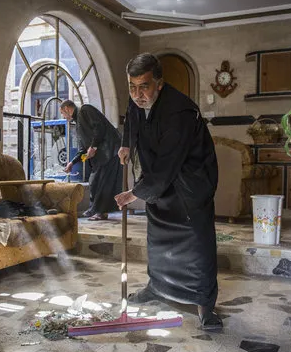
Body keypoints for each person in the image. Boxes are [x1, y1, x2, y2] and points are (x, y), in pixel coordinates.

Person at [115, 53, 222, 330]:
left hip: (189, 182)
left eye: (144, 87)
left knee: (197, 242)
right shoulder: (137, 96)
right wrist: (126, 143)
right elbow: (132, 116)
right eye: (132, 86)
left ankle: (205, 305)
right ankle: (158, 287)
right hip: (161, 180)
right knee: (159, 235)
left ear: (159, 84)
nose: (138, 94)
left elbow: (168, 164)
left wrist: (134, 193)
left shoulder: (180, 112)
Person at [61, 100, 122, 221]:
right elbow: (83, 148)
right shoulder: (77, 122)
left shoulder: (85, 110)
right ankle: (99, 211)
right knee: (96, 181)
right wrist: (72, 162)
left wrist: (93, 147)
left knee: (100, 181)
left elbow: (99, 126)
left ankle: (98, 211)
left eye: (62, 113)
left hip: (110, 150)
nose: (63, 116)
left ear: (67, 109)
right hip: (103, 156)